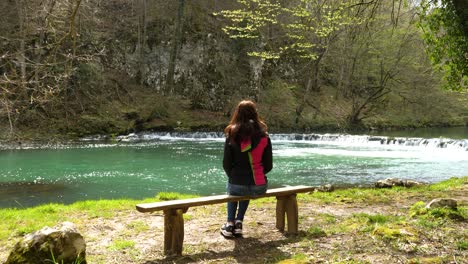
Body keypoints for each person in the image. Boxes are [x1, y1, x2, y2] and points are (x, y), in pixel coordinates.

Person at [221, 100, 273, 238]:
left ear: (237, 113)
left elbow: (226, 163)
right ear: (255, 113)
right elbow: (268, 166)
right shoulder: (264, 136)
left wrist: (232, 176)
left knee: (236, 188)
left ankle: (230, 223)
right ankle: (239, 222)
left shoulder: (232, 134)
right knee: (247, 186)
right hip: (259, 186)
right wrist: (259, 173)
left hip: (237, 183)